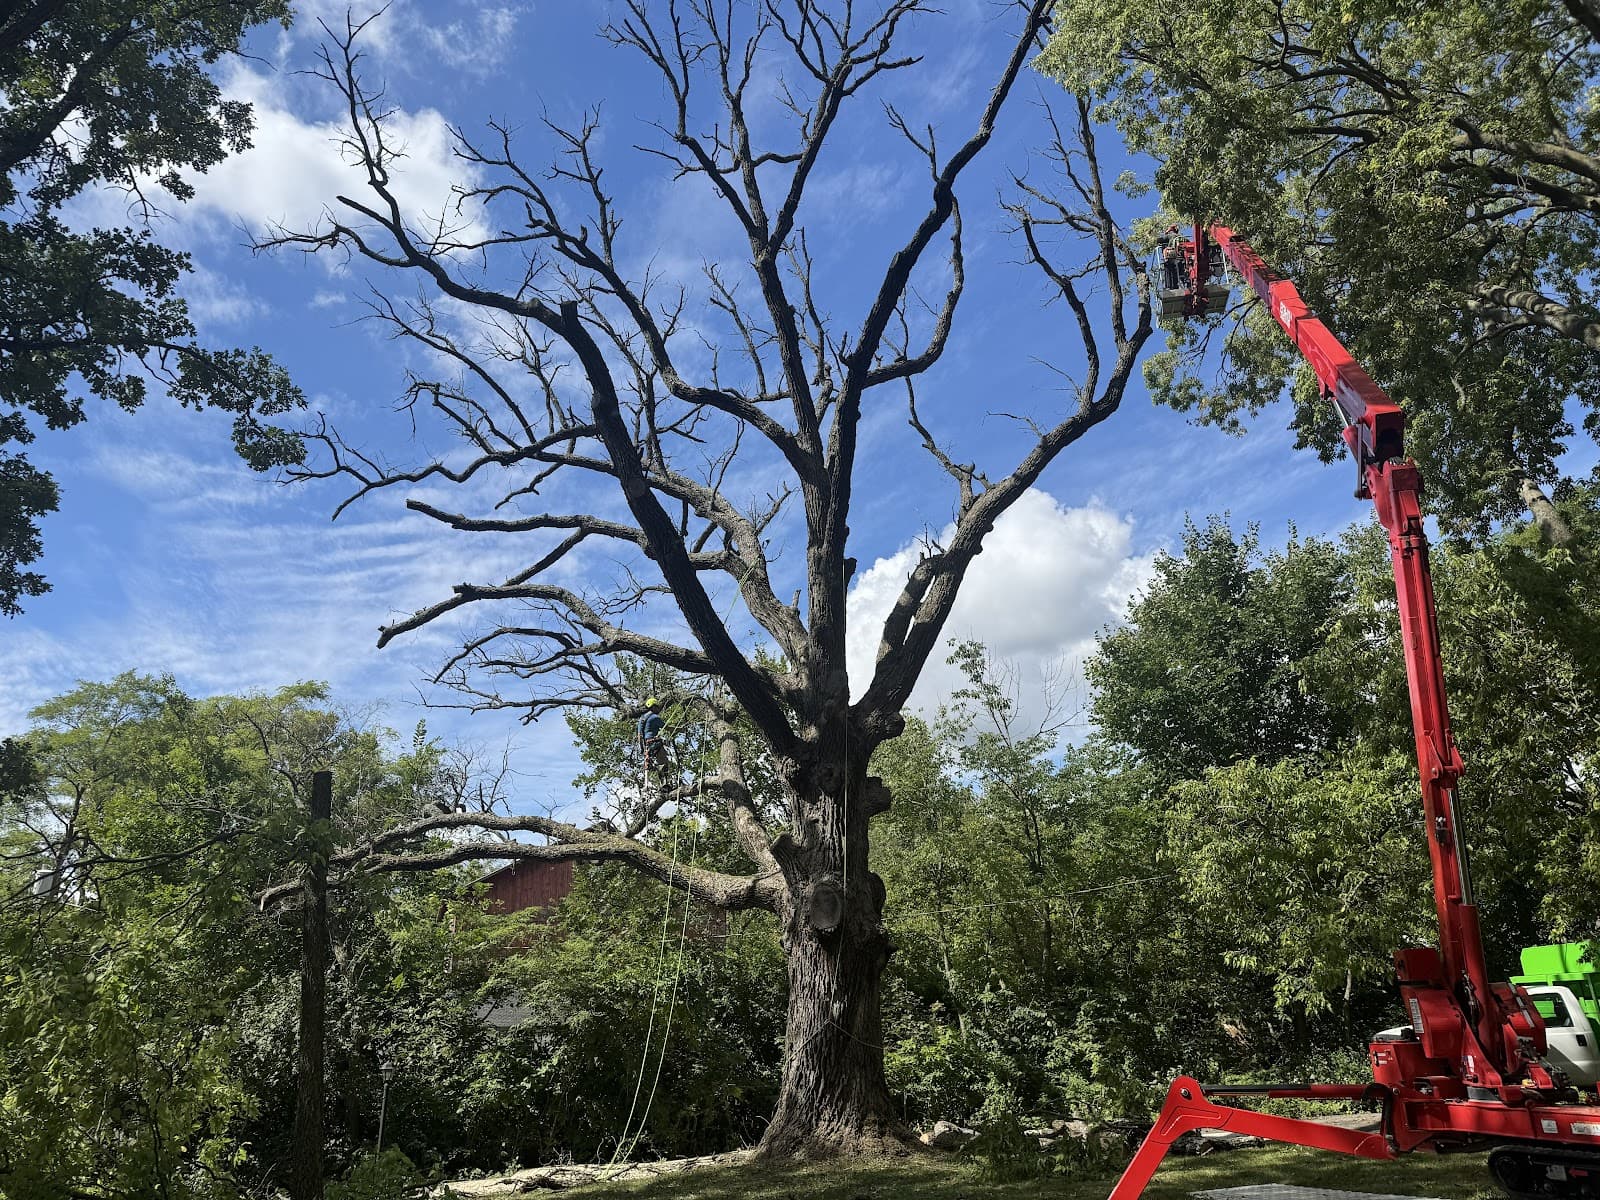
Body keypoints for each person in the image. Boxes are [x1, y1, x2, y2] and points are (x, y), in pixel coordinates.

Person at [637, 697, 666, 775]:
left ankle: (655, 768)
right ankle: (664, 781)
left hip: (646, 744)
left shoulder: (642, 718)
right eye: (657, 707)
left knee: (650, 761)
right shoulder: (655, 717)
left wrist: (642, 748)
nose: (658, 709)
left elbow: (639, 735)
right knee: (663, 762)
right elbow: (666, 727)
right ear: (653, 707)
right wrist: (679, 729)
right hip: (654, 742)